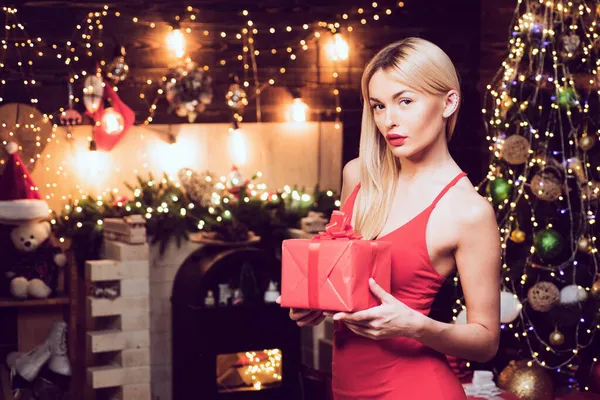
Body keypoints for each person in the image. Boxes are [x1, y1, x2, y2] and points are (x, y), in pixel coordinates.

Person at [286, 37, 501, 399]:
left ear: (449, 102)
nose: (389, 121)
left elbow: (485, 341)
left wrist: (417, 326)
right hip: (347, 387)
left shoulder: (467, 211)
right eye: (379, 106)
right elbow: (344, 281)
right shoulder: (357, 177)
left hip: (417, 387)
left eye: (405, 101)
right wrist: (314, 304)